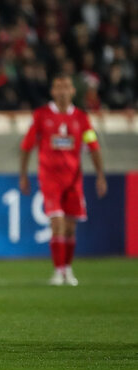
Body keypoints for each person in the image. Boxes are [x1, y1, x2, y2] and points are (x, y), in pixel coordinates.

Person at [19, 74, 107, 286]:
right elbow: (27, 145)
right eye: (58, 87)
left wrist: (100, 175)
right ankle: (58, 271)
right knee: (57, 222)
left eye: (66, 87)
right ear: (52, 91)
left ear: (73, 91)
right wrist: (23, 174)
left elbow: (93, 146)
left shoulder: (81, 118)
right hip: (50, 178)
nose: (62, 91)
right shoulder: (41, 116)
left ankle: (67, 268)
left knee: (70, 227)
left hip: (73, 179)